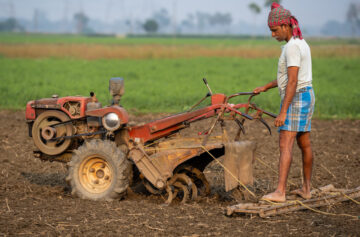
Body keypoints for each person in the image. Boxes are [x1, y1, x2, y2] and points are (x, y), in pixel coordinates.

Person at [253, 3, 315, 202]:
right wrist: (266, 86)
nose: (272, 35)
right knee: (303, 142)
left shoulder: (292, 48)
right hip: (306, 95)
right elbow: (289, 77)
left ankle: (280, 192)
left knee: (285, 144)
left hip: (296, 98)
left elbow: (293, 81)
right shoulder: (300, 43)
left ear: (286, 26)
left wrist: (283, 112)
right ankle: (306, 189)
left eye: (274, 30)